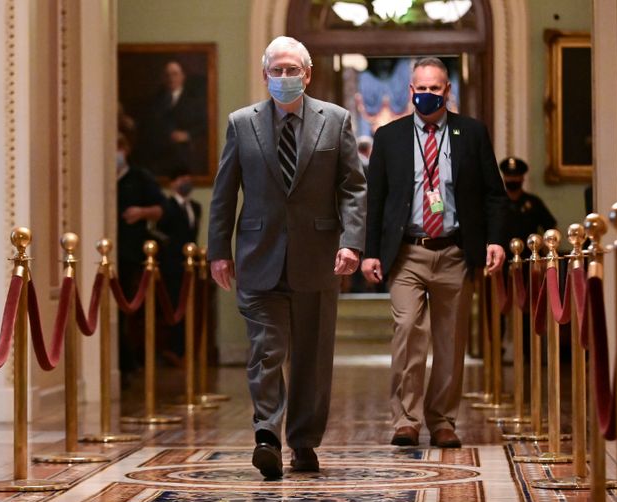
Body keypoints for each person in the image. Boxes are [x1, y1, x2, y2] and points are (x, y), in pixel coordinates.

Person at [207, 36, 366, 479]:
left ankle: (303, 441)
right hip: (259, 256)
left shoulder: (335, 121)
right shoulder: (242, 124)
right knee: (266, 351)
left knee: (313, 356)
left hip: (317, 258)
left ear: (307, 74)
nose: (284, 77)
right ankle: (266, 435)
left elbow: (353, 187)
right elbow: (224, 194)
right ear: (264, 76)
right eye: (276, 70)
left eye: (292, 69)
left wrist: (351, 242)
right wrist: (218, 252)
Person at [361, 57, 508, 448]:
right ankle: (406, 419)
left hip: (454, 251)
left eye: (435, 88)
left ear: (448, 92)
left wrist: (494, 240)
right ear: (410, 92)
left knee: (450, 339)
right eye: (420, 89)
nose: (427, 95)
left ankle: (442, 420)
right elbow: (374, 200)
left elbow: (494, 194)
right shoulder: (389, 137)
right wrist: (369, 251)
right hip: (407, 252)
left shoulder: (471, 133)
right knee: (408, 330)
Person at [116, 133, 166, 381]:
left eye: (119, 147)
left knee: (128, 310)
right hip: (107, 255)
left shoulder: (140, 178)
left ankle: (129, 363)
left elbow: (161, 209)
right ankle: (123, 361)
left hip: (131, 254)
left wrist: (141, 213)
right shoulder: (103, 176)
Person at [157, 164, 202, 362]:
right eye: (181, 177)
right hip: (172, 265)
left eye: (188, 176)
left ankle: (187, 349)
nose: (186, 181)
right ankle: (175, 350)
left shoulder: (196, 207)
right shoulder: (166, 207)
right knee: (175, 306)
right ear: (172, 183)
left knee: (190, 306)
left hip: (189, 265)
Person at [137, 60, 204, 178]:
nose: (171, 78)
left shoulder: (194, 101)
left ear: (183, 76)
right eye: (167, 75)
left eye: (175, 74)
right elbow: (147, 125)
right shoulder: (155, 100)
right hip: (158, 156)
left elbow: (204, 125)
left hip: (184, 155)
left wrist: (187, 135)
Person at [500, 156, 557, 248]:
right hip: (502, 257)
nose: (512, 179)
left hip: (529, 257)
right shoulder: (497, 203)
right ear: (504, 177)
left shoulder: (534, 202)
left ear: (522, 178)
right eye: (509, 176)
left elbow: (551, 228)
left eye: (515, 176)